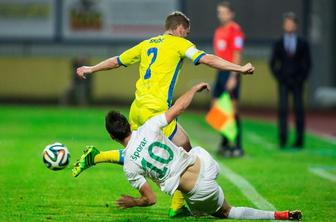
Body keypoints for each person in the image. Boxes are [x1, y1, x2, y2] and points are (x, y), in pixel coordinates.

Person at [73, 11, 254, 217]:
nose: (186, 36)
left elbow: (117, 60)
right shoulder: (178, 43)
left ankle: (96, 157)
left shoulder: (147, 43)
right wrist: (239, 68)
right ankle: (176, 206)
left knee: (137, 150)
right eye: (186, 32)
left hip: (137, 108)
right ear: (178, 29)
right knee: (186, 150)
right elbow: (208, 59)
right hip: (156, 110)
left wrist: (91, 68)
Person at [104, 82, 302, 220]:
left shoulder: (129, 165)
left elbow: (151, 199)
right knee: (192, 147)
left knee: (225, 213)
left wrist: (134, 202)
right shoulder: (149, 126)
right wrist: (194, 88)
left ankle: (277, 216)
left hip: (198, 191)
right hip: (204, 163)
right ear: (129, 124)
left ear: (113, 137)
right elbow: (179, 107)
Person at [270, 12, 311, 149]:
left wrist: (301, 78)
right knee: (283, 110)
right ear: (284, 25)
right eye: (287, 23)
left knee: (299, 110)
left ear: (296, 25)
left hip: (298, 82)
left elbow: (307, 63)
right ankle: (282, 139)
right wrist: (280, 77)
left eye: (292, 23)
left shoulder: (303, 43)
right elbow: (273, 63)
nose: (289, 25)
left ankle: (299, 140)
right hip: (283, 82)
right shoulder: (278, 43)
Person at [212, 2, 245, 157]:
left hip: (231, 72)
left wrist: (234, 76)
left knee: (232, 109)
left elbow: (237, 54)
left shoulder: (235, 30)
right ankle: (225, 142)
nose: (221, 15)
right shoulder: (218, 30)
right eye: (219, 12)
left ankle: (238, 145)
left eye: (224, 12)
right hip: (220, 73)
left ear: (231, 14)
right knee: (219, 109)